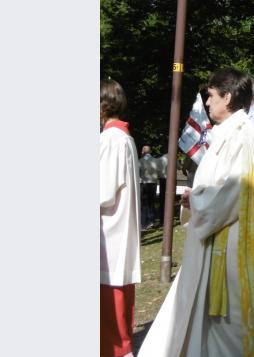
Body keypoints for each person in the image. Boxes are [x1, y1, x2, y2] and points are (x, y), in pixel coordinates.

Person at [138, 68, 254, 357]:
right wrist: (199, 198)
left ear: (227, 97)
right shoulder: (230, 133)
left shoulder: (244, 134)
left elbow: (236, 191)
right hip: (221, 236)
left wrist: (198, 200)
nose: (208, 102)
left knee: (231, 323)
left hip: (234, 245)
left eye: (211, 96)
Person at [100, 79, 141, 357]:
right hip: (119, 236)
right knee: (118, 316)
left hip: (108, 237)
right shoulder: (124, 139)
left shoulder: (110, 140)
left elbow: (102, 192)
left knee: (111, 325)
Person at [139, 145, 160, 230]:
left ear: (143, 152)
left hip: (144, 183)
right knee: (152, 202)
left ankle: (144, 223)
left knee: (144, 203)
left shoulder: (140, 161)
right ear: (150, 151)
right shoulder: (156, 161)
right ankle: (151, 221)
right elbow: (159, 171)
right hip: (153, 183)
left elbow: (137, 173)